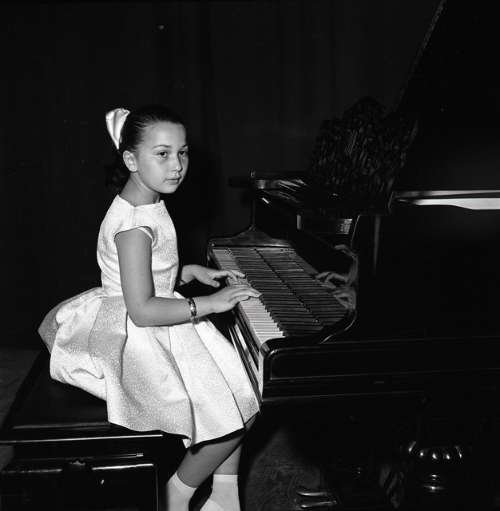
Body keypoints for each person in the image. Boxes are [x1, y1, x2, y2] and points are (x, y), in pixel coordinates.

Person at [38, 105, 262, 511]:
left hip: (151, 308)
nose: (177, 165)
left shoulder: (146, 202)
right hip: (138, 331)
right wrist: (209, 304)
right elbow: (141, 309)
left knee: (241, 388)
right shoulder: (134, 225)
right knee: (236, 408)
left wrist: (186, 271)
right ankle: (177, 493)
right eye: (162, 154)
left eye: (183, 152)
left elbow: (148, 272)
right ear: (130, 160)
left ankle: (225, 495)